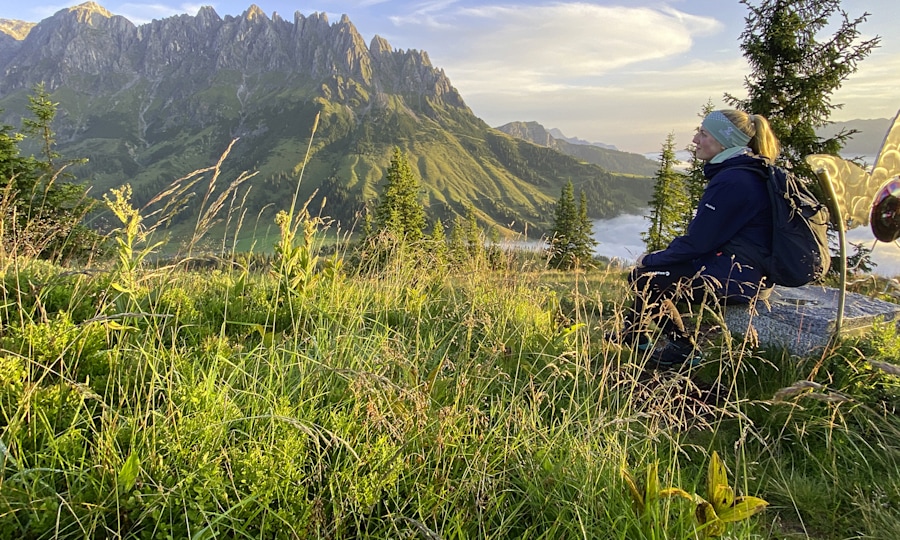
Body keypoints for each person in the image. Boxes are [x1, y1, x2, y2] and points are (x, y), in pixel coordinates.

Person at [617, 109, 780, 368]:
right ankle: (634, 334)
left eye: (703, 134)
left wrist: (651, 257)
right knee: (650, 274)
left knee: (644, 276)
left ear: (725, 141)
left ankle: (682, 349)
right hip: (743, 271)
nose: (695, 140)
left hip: (737, 278)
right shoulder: (746, 171)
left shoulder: (733, 180)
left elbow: (698, 242)